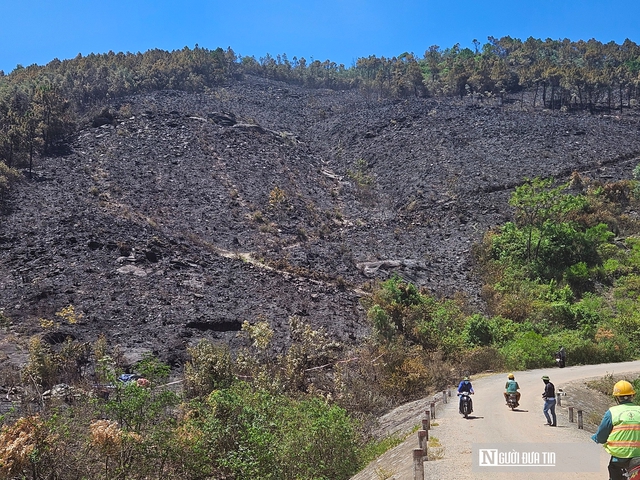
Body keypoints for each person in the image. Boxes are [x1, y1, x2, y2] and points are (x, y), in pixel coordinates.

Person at [592, 380, 640, 480]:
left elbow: (601, 436)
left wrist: (596, 438)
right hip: (639, 458)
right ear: (632, 396)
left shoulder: (612, 412)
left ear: (616, 397)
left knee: (613, 470)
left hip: (619, 458)